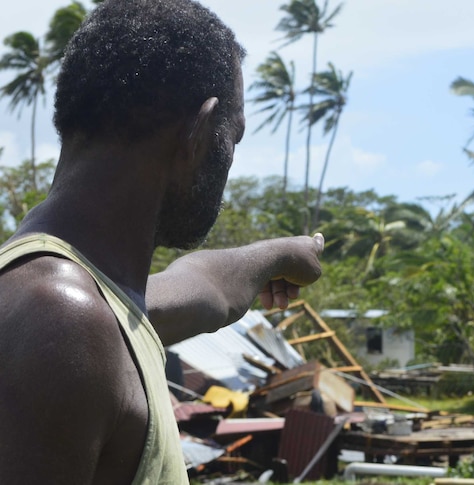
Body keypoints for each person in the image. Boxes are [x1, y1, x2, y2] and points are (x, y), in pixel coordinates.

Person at [0, 0, 324, 483]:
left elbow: (205, 288)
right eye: (232, 138)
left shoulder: (92, 298)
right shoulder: (65, 321)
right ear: (198, 132)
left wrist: (278, 253)